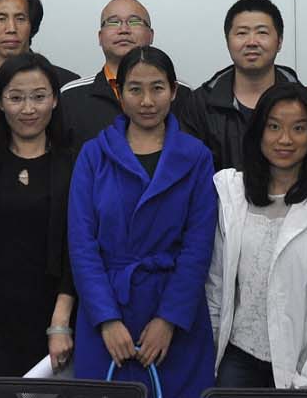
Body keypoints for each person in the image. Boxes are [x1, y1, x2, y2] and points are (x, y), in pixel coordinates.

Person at [70, 46, 217, 398]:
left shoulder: (196, 156)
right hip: (105, 313)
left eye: (158, 88)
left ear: (174, 91)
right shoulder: (94, 154)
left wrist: (169, 319)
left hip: (176, 316)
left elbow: (198, 248)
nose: (147, 101)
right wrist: (106, 319)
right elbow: (82, 245)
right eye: (135, 89)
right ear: (119, 93)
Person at [207, 83, 307, 389]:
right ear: (258, 132)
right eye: (273, 127)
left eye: (298, 128)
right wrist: (208, 351)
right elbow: (216, 283)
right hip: (239, 355)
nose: (285, 139)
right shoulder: (232, 192)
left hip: (306, 359)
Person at [0, 54, 78, 379]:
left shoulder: (74, 164)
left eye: (39, 97)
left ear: (55, 100)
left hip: (50, 315)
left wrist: (60, 321)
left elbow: (77, 249)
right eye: (16, 98)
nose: (28, 109)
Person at [58, 0, 204, 151]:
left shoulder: (183, 93)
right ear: (100, 37)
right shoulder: (71, 96)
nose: (124, 30)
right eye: (113, 22)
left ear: (151, 35)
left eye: (134, 22)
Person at [199, 0, 301, 170]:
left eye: (262, 32)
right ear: (227, 41)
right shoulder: (201, 104)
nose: (252, 42)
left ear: (279, 42)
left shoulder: (303, 101)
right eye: (242, 33)